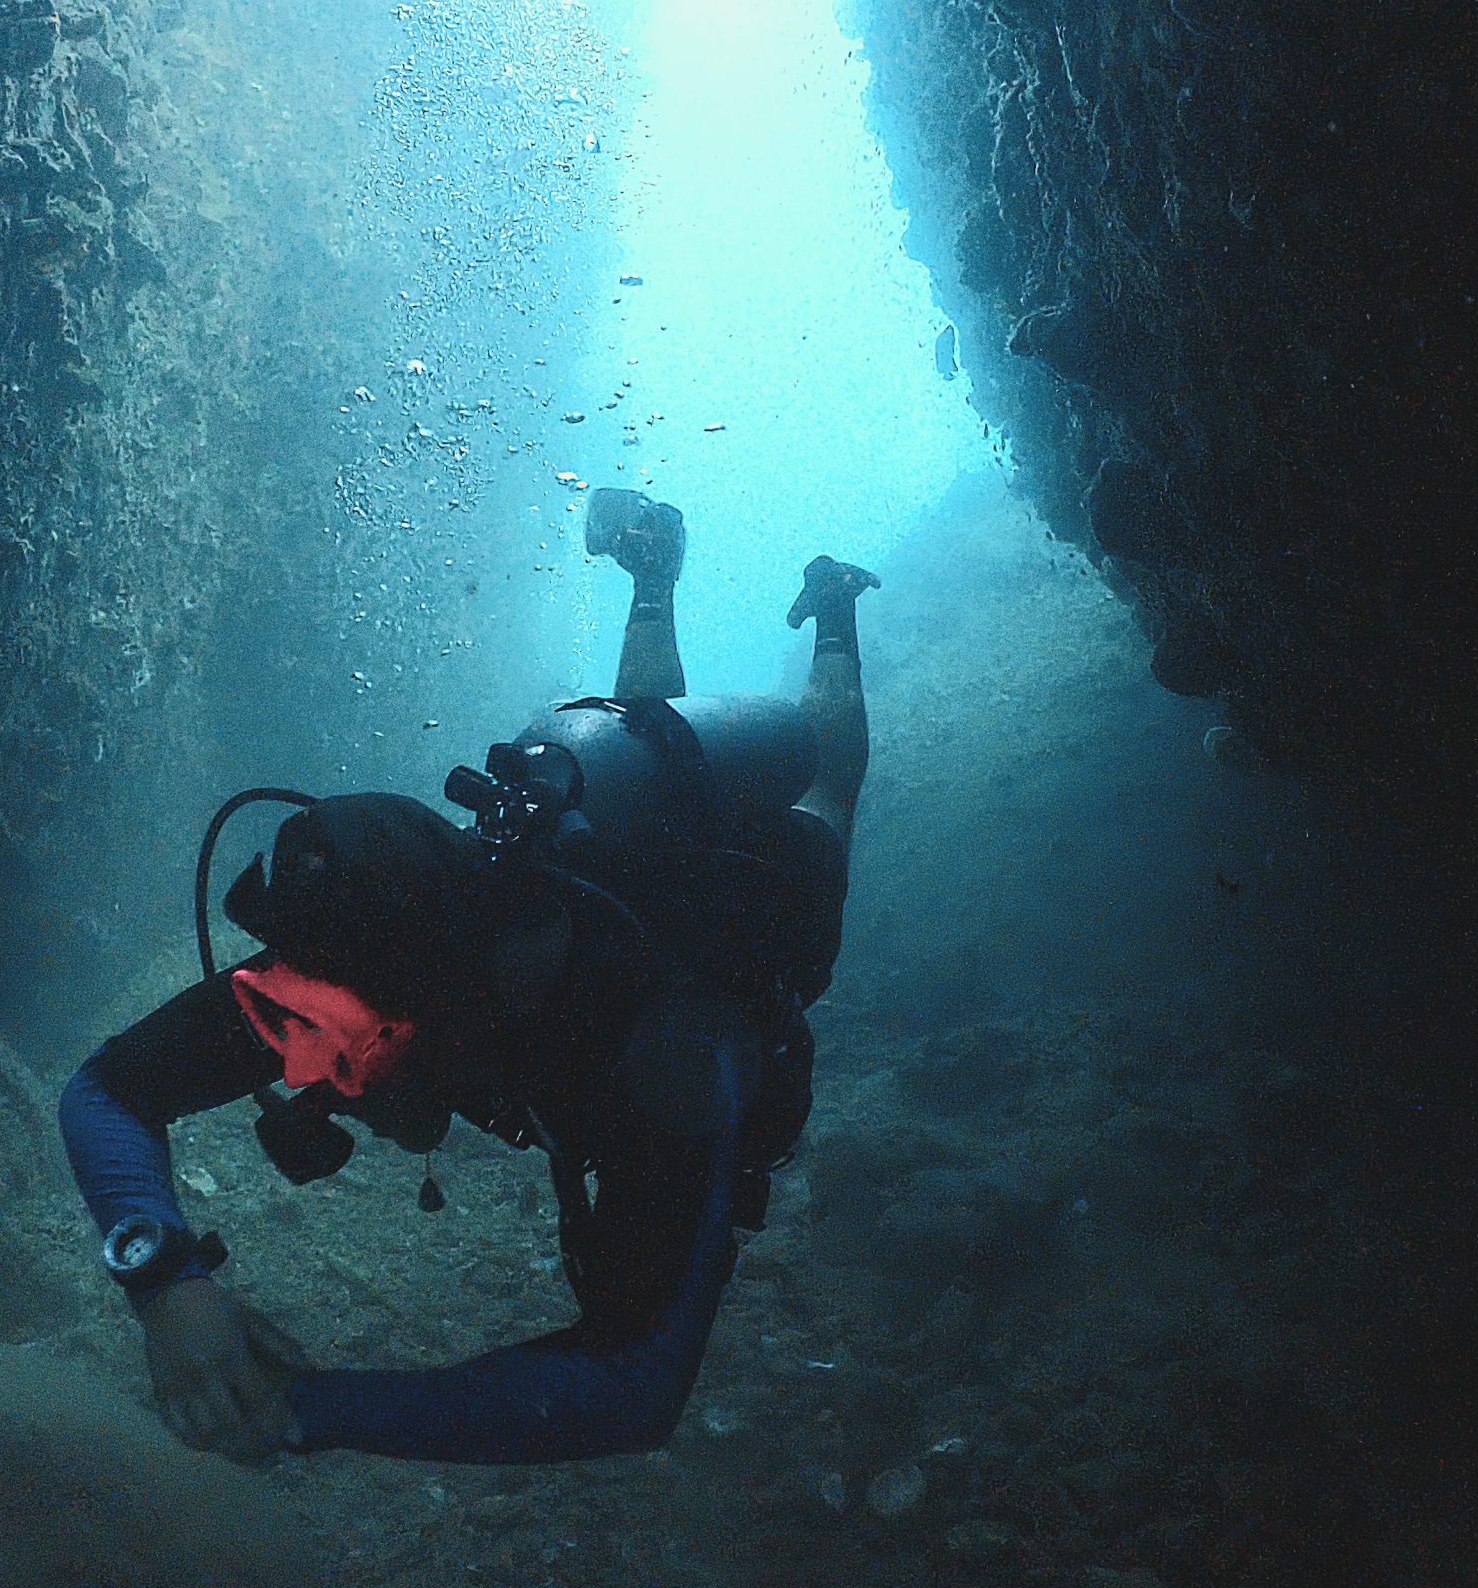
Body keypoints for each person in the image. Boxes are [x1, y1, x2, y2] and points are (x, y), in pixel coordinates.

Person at [57, 493, 879, 1465]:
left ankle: (835, 606)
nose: (313, 1078)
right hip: (596, 856)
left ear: (439, 1013)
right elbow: (105, 1091)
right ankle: (656, 576)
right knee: (650, 726)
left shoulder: (673, 1049)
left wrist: (303, 1409)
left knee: (827, 796)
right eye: (298, 1027)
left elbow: (636, 1388)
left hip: (736, 918)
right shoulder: (375, 950)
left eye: (348, 1056)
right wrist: (163, 1277)